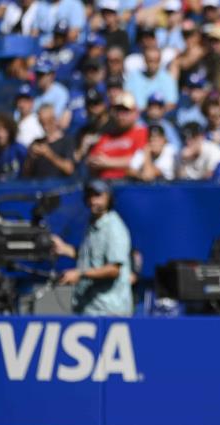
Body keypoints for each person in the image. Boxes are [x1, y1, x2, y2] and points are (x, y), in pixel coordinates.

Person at [51, 180, 133, 316]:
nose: (93, 200)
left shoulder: (114, 228)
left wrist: (80, 274)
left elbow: (114, 270)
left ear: (108, 197)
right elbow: (91, 258)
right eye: (90, 196)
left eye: (98, 195)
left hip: (108, 312)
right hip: (89, 308)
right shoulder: (92, 224)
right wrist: (65, 249)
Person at [86, 91, 148, 180]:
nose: (121, 115)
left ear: (135, 113)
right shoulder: (107, 135)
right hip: (104, 184)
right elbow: (93, 158)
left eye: (125, 111)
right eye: (118, 110)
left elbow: (139, 160)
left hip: (129, 183)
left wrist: (108, 163)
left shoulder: (141, 132)